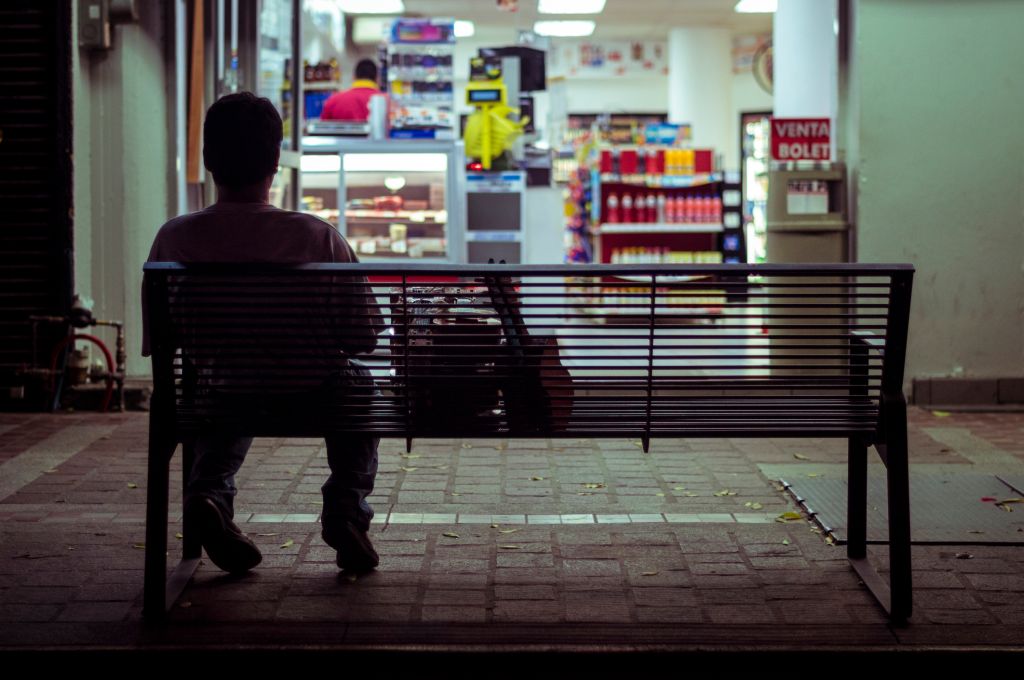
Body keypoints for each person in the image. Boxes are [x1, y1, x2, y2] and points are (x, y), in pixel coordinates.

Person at [142, 92, 383, 575]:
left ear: (208, 160)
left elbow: (162, 339)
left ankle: (209, 494)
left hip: (223, 392)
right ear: (276, 161)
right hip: (312, 392)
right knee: (360, 382)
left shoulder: (174, 237)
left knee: (223, 384)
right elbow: (363, 337)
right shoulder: (316, 235)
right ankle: (344, 510)